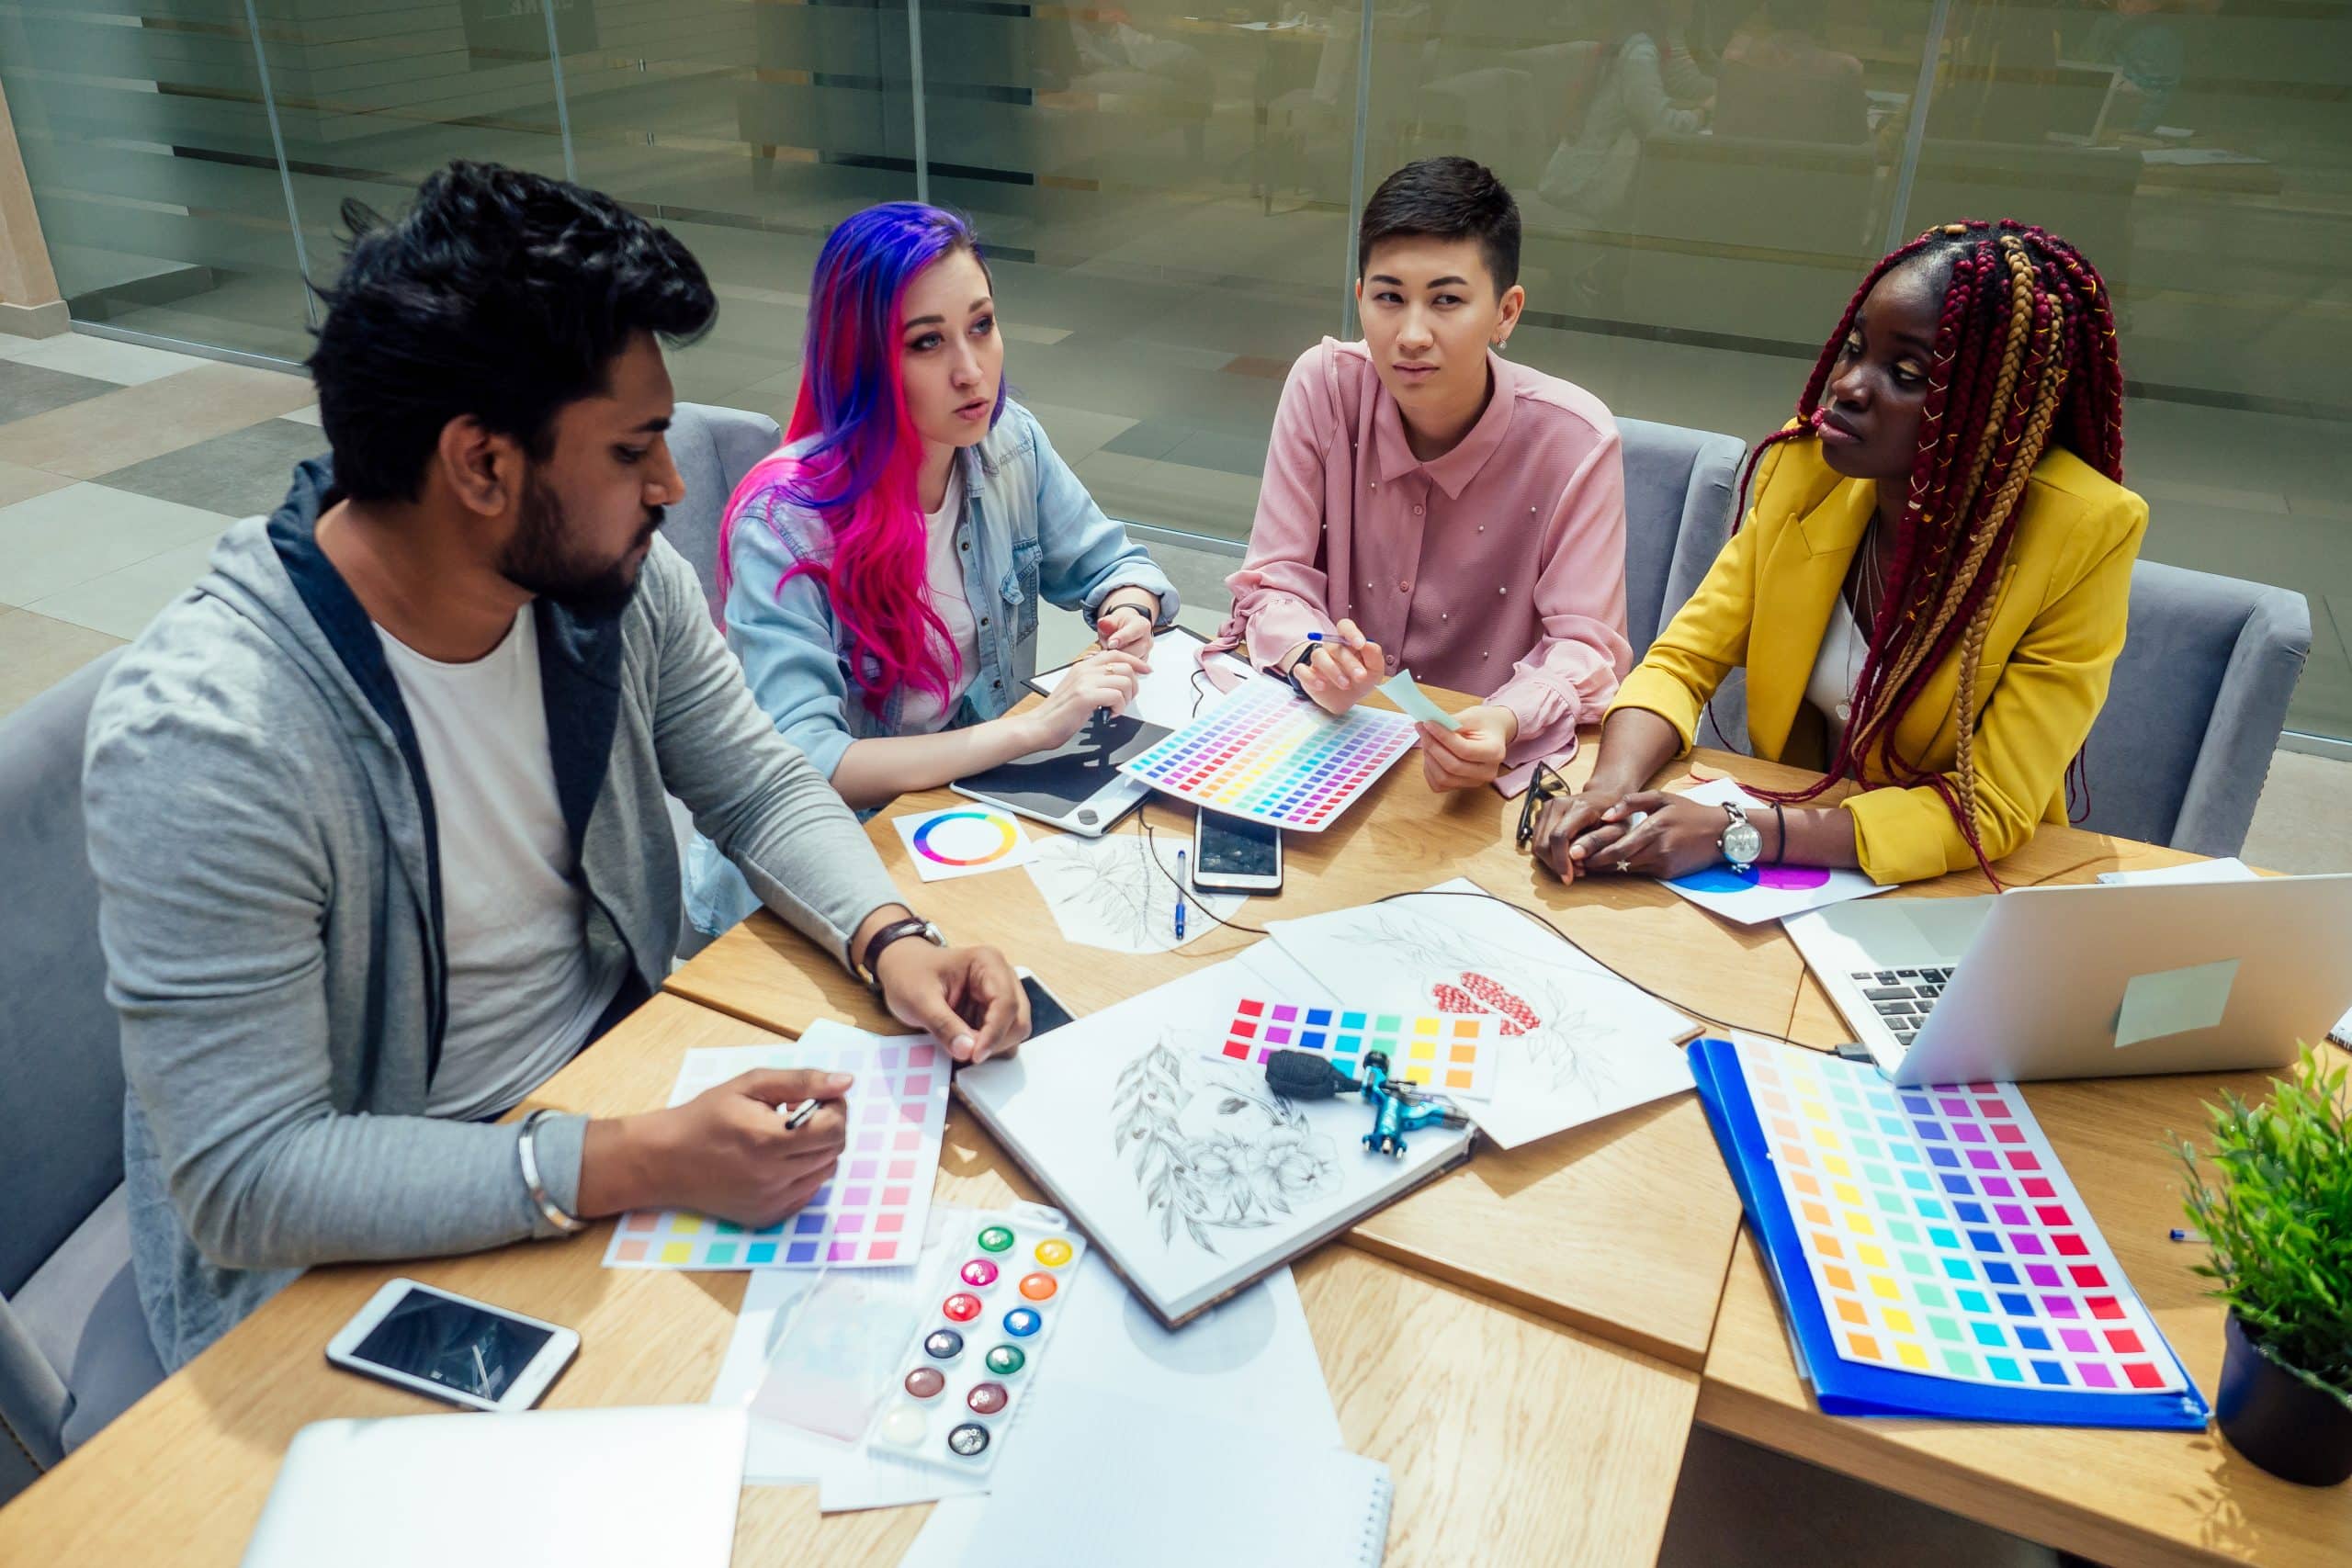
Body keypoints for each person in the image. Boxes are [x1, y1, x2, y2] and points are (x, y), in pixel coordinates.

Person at [82, 163, 1028, 1371]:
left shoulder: (605, 587)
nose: (673, 486)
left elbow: (754, 782)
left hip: (608, 1089)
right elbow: (252, 1173)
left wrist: (894, 937)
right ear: (481, 467)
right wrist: (631, 1156)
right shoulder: (214, 737)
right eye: (634, 449)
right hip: (350, 1241)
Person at [1532, 220, 2143, 888]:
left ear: (1997, 409)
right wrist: (1610, 789)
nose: (1847, 385)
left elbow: (1988, 805)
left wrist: (1739, 831)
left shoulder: (2080, 533)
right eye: (1854, 349)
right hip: (1797, 870)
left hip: (1958, 882)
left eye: (1906, 373)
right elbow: (1681, 663)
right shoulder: (1805, 473)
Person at [685, 203, 1177, 937]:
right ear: (863, 360)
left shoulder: (1006, 443)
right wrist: (1032, 731)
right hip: (815, 883)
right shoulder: (785, 523)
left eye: (981, 325)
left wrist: (1128, 611)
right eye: (926, 343)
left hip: (954, 822)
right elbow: (810, 765)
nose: (971, 370)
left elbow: (1118, 564)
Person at [1217, 155, 1633, 796]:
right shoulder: (1324, 387)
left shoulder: (1576, 441)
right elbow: (1274, 580)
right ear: (1360, 300)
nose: (1412, 334)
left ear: (1507, 312)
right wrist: (1314, 654)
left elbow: (1586, 648)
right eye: (1389, 297)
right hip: (1330, 743)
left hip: (1483, 774)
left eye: (1446, 300)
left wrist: (1505, 717)